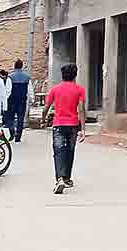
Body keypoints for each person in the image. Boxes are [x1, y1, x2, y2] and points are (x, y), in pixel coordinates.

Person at [43, 64, 86, 194]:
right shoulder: (80, 90)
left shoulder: (55, 89)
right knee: (70, 151)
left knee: (59, 151)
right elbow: (81, 109)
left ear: (62, 75)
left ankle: (60, 178)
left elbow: (47, 106)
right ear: (75, 75)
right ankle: (67, 178)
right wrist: (83, 129)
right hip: (73, 125)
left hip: (58, 125)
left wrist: (43, 118)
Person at [4, 59, 31, 142]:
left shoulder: (10, 77)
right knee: (20, 118)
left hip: (12, 100)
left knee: (10, 118)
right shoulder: (27, 77)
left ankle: (12, 132)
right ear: (22, 66)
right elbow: (30, 90)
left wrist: (5, 100)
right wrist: (31, 99)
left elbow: (8, 90)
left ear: (14, 66)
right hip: (22, 100)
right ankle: (18, 137)